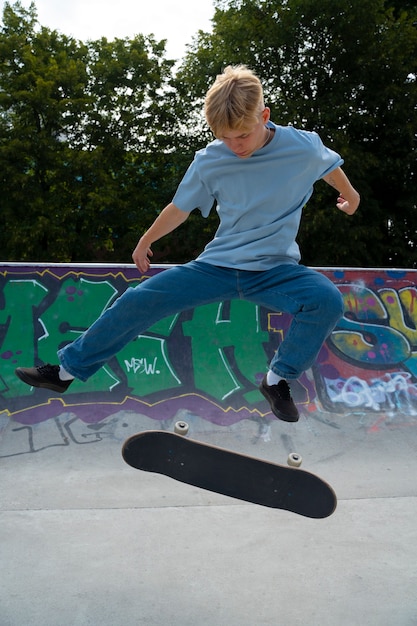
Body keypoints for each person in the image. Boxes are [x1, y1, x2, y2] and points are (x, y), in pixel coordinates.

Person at [15, 65, 360, 423]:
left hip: (276, 270)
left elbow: (329, 167)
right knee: (137, 300)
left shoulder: (302, 146)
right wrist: (146, 239)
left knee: (326, 300)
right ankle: (66, 372)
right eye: (224, 137)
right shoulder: (211, 159)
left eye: (241, 135)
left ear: (264, 115)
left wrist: (350, 195)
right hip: (217, 268)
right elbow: (179, 208)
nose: (234, 146)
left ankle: (278, 380)